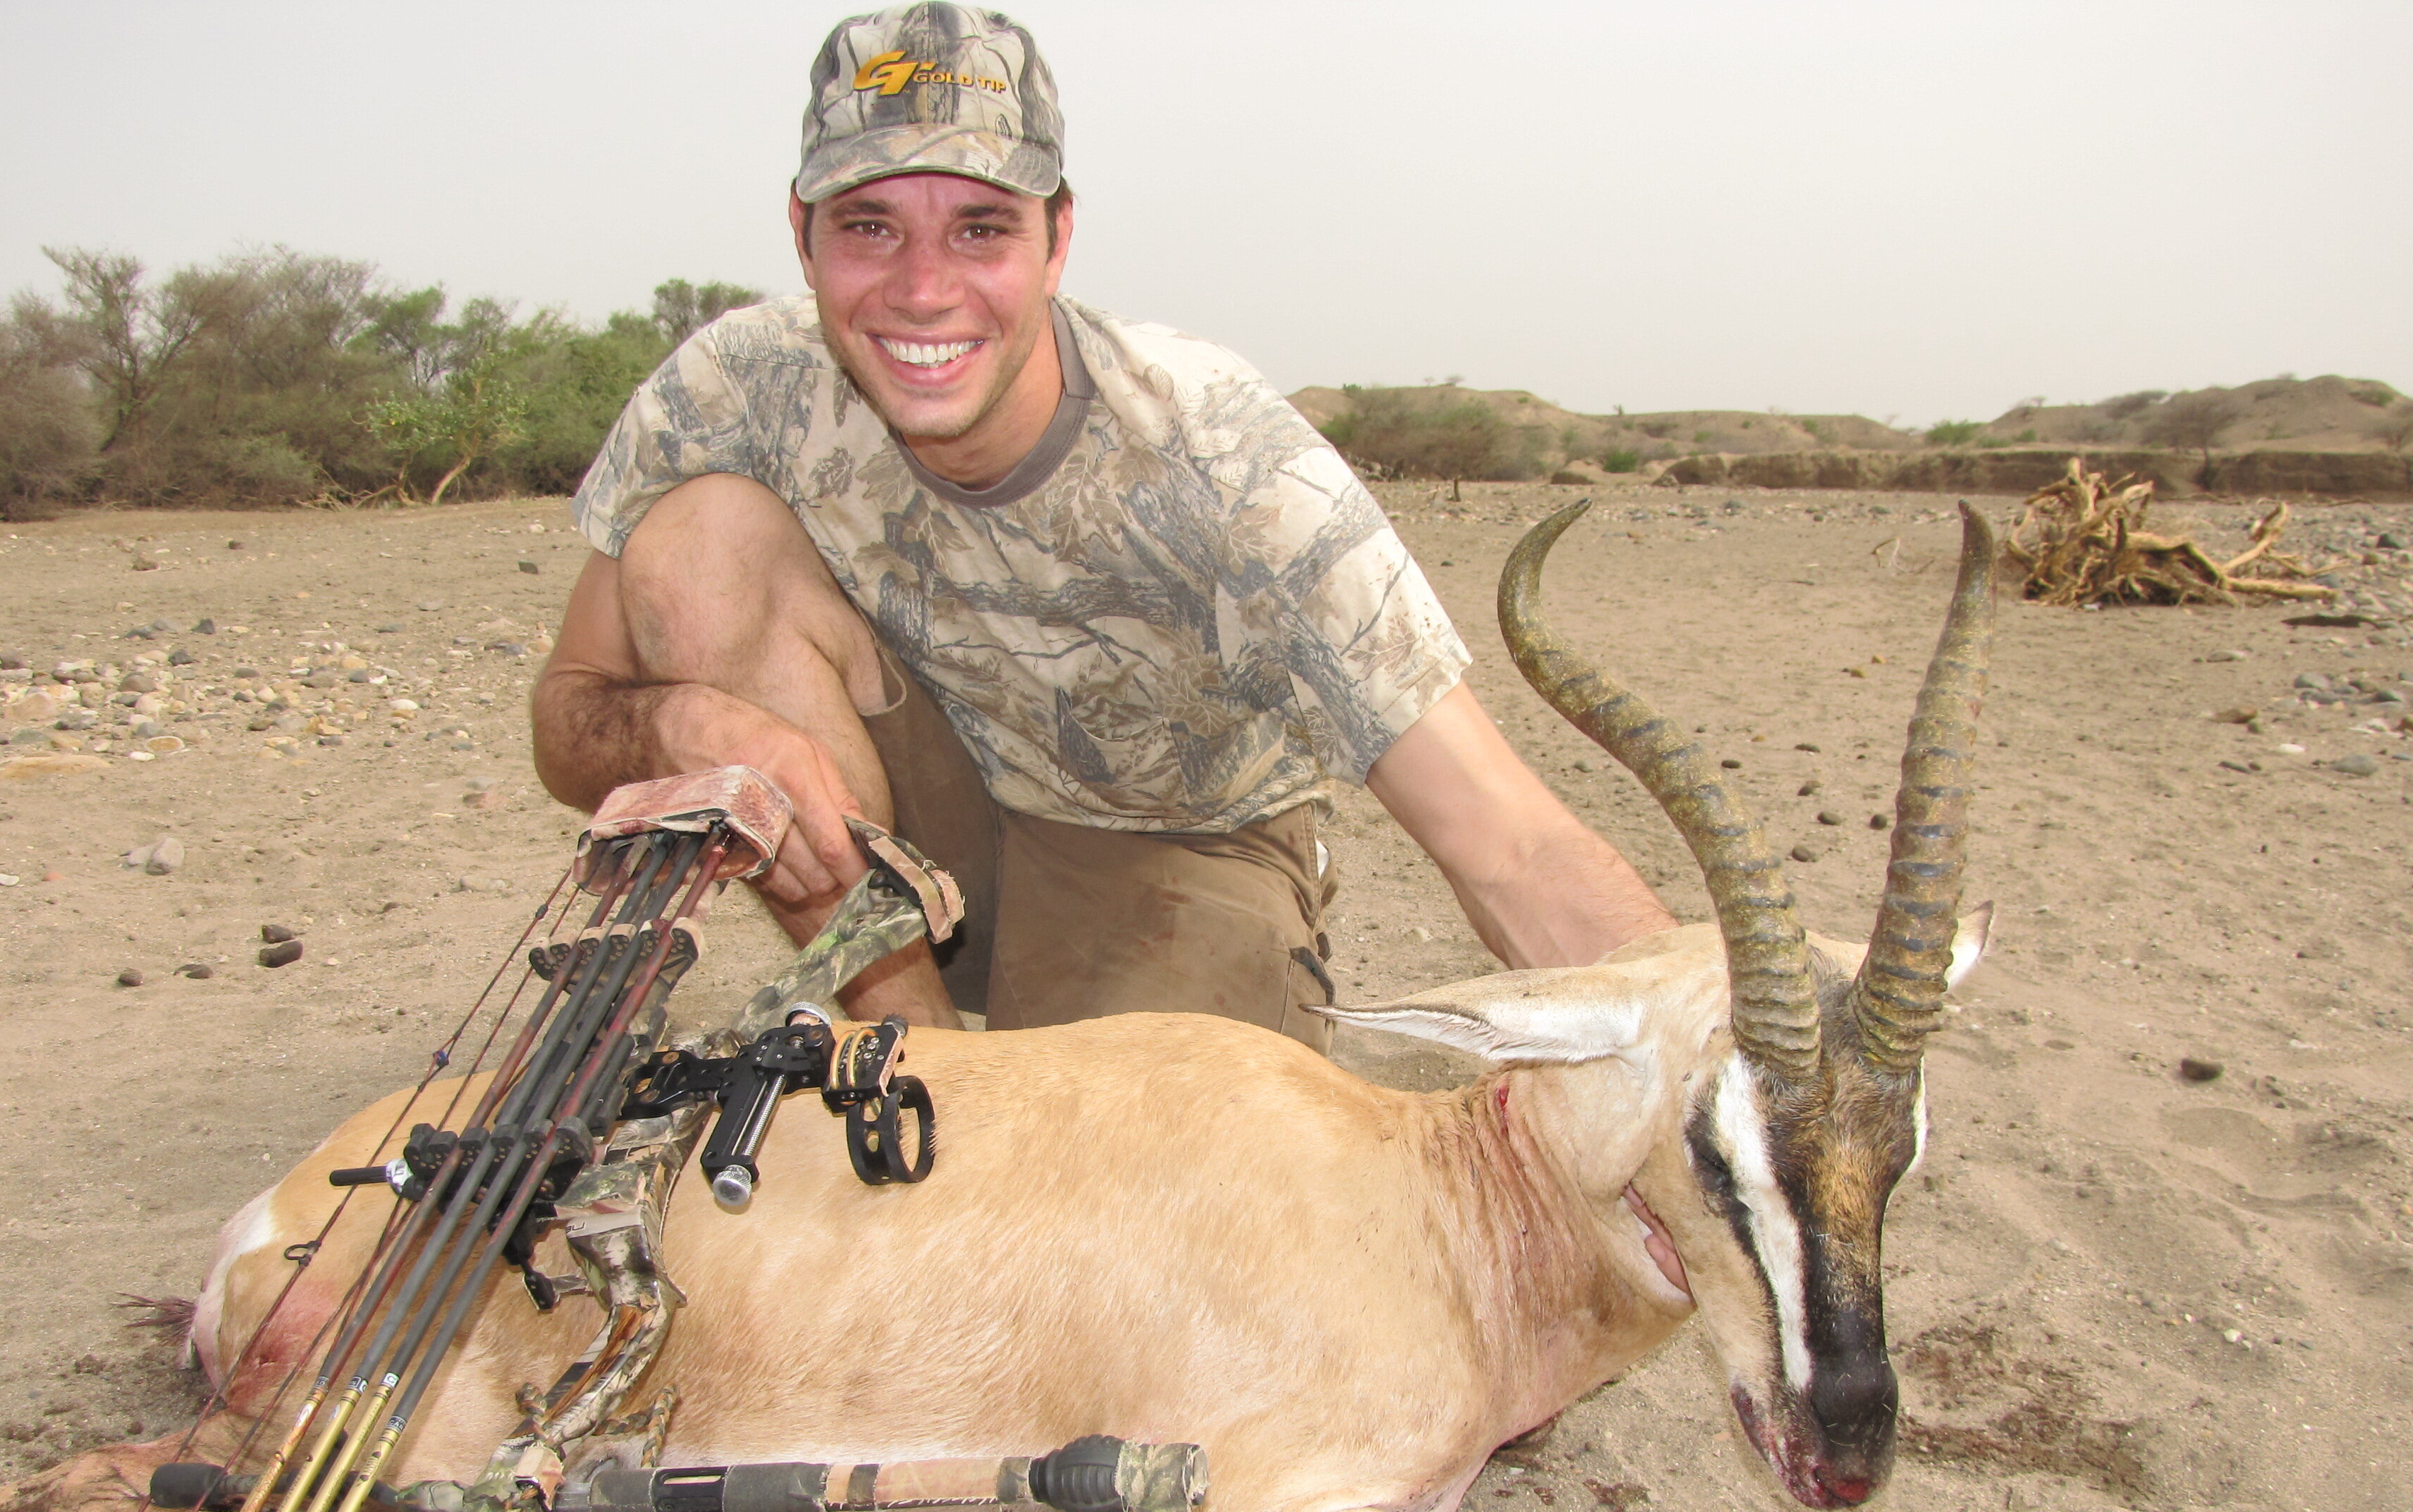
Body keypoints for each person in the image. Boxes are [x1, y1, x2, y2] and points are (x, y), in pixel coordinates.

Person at [534, 4, 1672, 1041]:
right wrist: (686, 727)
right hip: (925, 808)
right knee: (697, 538)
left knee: (1157, 1204)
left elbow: (1512, 846)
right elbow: (568, 716)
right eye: (870, 227)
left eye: (981, 229)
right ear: (802, 234)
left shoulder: (1228, 462)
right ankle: (916, 1057)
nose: (923, 289)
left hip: (1170, 837)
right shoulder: (736, 388)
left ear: (1057, 237)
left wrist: (1708, 1051)